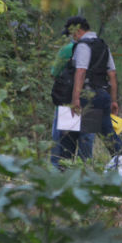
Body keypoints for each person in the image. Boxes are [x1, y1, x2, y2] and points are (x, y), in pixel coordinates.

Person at [58, 16, 122, 168]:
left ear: (78, 30)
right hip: (101, 96)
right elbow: (112, 74)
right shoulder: (103, 45)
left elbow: (80, 71)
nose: (71, 37)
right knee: (107, 133)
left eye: (71, 33)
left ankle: (71, 171)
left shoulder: (82, 46)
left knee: (70, 139)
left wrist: (75, 100)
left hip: (84, 96)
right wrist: (114, 100)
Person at [50, 41, 95, 169]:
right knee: (86, 150)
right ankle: (84, 181)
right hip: (91, 101)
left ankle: (60, 181)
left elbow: (54, 73)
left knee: (63, 150)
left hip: (70, 102)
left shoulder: (68, 48)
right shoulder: (100, 49)